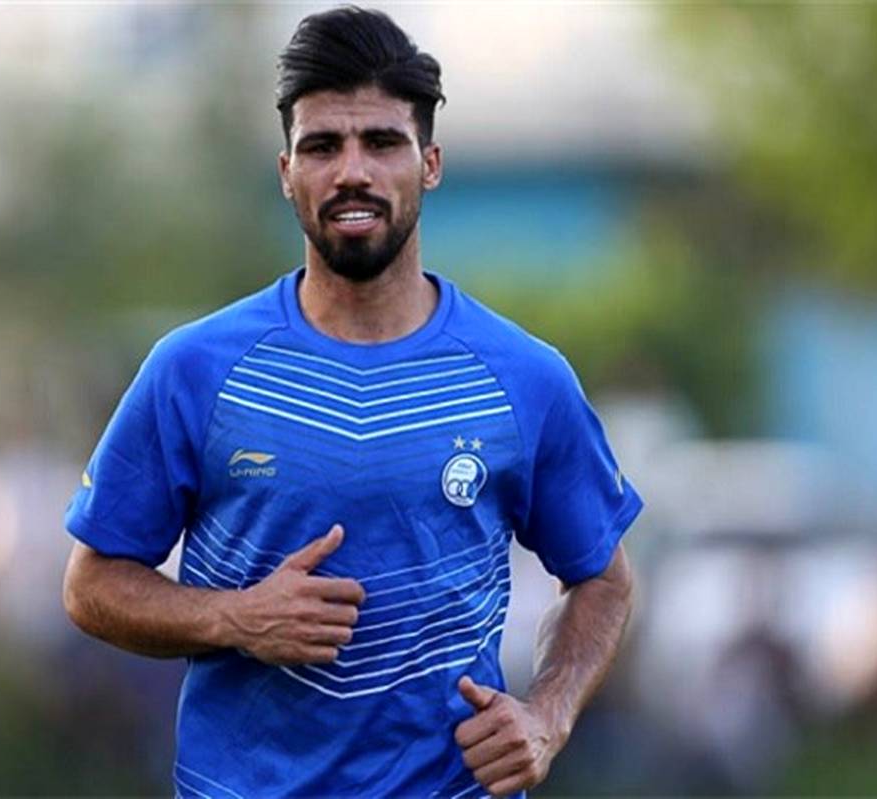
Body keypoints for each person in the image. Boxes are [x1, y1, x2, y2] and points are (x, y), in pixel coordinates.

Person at [62, 7, 642, 798]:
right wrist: (235, 617)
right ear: (286, 172)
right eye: (323, 146)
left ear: (429, 163)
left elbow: (604, 579)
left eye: (381, 142)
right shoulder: (194, 370)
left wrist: (547, 714)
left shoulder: (522, 377)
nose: (352, 172)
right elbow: (91, 583)